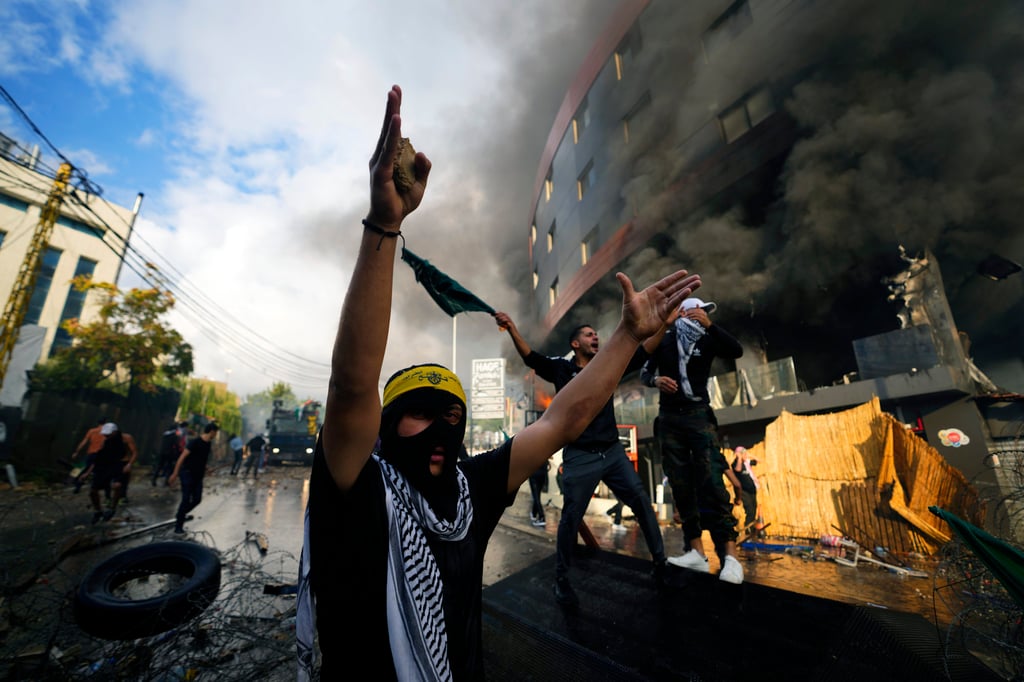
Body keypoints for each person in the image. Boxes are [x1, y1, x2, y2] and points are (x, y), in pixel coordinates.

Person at [295, 84, 700, 681]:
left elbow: (563, 419)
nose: (439, 428)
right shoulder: (356, 487)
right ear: (385, 424)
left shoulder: (470, 491)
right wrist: (384, 225)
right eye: (420, 412)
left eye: (452, 415)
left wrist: (624, 340)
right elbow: (352, 385)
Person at [494, 311, 669, 608]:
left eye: (596, 334)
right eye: (589, 335)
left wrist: (665, 320)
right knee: (571, 518)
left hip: (612, 452)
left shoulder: (608, 364)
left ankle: (661, 565)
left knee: (641, 502)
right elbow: (531, 358)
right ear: (575, 344)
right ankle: (561, 579)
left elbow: (644, 351)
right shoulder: (562, 370)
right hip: (580, 455)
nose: (595, 337)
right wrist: (511, 327)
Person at [641, 297, 746, 584]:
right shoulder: (664, 338)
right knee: (680, 483)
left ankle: (731, 557)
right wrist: (655, 381)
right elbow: (643, 370)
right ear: (683, 312)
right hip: (669, 418)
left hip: (699, 416)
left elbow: (736, 350)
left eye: (706, 311)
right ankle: (696, 552)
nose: (702, 315)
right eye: (698, 310)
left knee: (712, 481)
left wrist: (710, 324)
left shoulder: (707, 338)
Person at [168, 422, 220, 534]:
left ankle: (180, 514)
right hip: (187, 474)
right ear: (212, 431)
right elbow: (182, 458)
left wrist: (207, 468)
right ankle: (178, 526)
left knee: (197, 499)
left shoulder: (208, 444)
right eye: (216, 432)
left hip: (198, 475)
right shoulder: (195, 442)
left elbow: (200, 459)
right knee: (186, 499)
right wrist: (175, 473)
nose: (216, 435)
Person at [88, 423, 138, 523]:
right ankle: (100, 509)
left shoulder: (126, 438)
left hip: (122, 464)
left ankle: (113, 506)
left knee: (118, 486)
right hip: (108, 465)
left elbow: (134, 452)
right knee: (96, 489)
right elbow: (101, 456)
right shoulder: (106, 441)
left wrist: (129, 464)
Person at [731, 446, 760, 534]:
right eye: (742, 454)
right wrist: (739, 458)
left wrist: (750, 455)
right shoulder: (736, 463)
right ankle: (748, 530)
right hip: (744, 491)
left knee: (754, 509)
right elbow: (738, 470)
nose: (744, 455)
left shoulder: (747, 463)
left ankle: (751, 528)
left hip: (752, 490)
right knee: (749, 510)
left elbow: (758, 461)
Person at [71, 419, 105, 493]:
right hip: (101, 454)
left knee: (83, 468)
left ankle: (77, 485)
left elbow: (84, 442)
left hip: (91, 453)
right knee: (98, 471)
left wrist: (76, 452)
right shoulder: (107, 433)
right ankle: (96, 487)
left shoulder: (92, 431)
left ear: (98, 423)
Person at [152, 421, 187, 486]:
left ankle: (154, 479)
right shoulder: (175, 435)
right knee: (169, 467)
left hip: (162, 452)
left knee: (159, 466)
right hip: (170, 453)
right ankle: (166, 482)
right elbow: (176, 445)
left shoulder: (165, 435)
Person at [528, 462, 548, 527]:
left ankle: (542, 517)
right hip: (542, 475)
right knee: (537, 496)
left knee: (536, 497)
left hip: (534, 474)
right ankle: (534, 514)